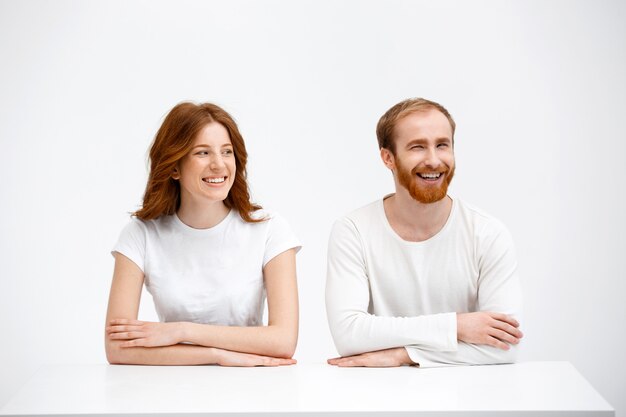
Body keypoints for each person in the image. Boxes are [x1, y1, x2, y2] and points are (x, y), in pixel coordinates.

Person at [325, 98, 523, 368]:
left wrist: (404, 355)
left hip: (467, 402)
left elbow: (505, 347)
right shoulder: (353, 230)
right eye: (417, 147)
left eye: (442, 145)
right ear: (388, 158)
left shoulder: (488, 234)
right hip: (380, 400)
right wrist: (455, 326)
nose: (433, 160)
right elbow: (349, 335)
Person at [105, 102, 300, 366]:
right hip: (171, 388)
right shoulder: (140, 235)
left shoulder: (269, 229)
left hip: (251, 388)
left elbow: (283, 341)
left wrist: (183, 331)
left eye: (227, 152)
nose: (219, 164)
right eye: (203, 153)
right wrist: (216, 355)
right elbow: (117, 349)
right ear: (174, 167)